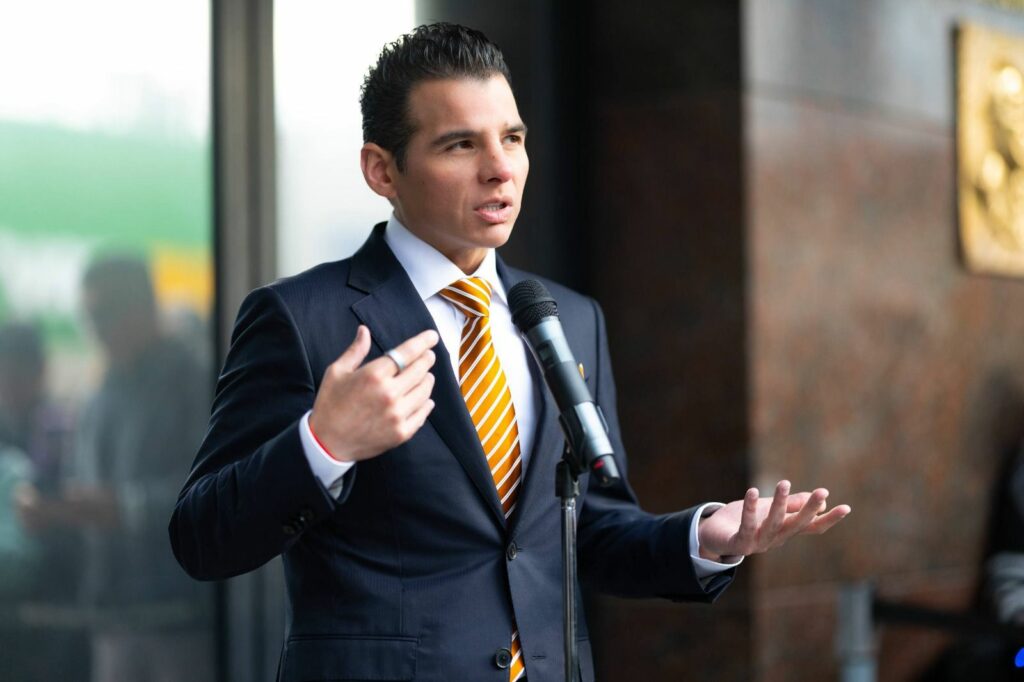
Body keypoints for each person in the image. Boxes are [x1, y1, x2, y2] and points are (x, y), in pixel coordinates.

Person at [170, 23, 850, 681]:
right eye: (460, 145)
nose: (500, 169)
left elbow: (587, 530)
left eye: (513, 138)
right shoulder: (301, 318)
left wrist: (701, 539)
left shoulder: (568, 318)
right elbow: (202, 538)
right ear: (382, 170)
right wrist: (324, 443)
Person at [19, 256, 213, 682]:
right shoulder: (100, 394)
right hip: (114, 617)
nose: (97, 329)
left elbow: (213, 492)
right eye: (90, 317)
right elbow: (85, 491)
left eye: (106, 314)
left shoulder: (194, 381)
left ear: (144, 307)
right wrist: (55, 512)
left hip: (179, 618)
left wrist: (122, 508)